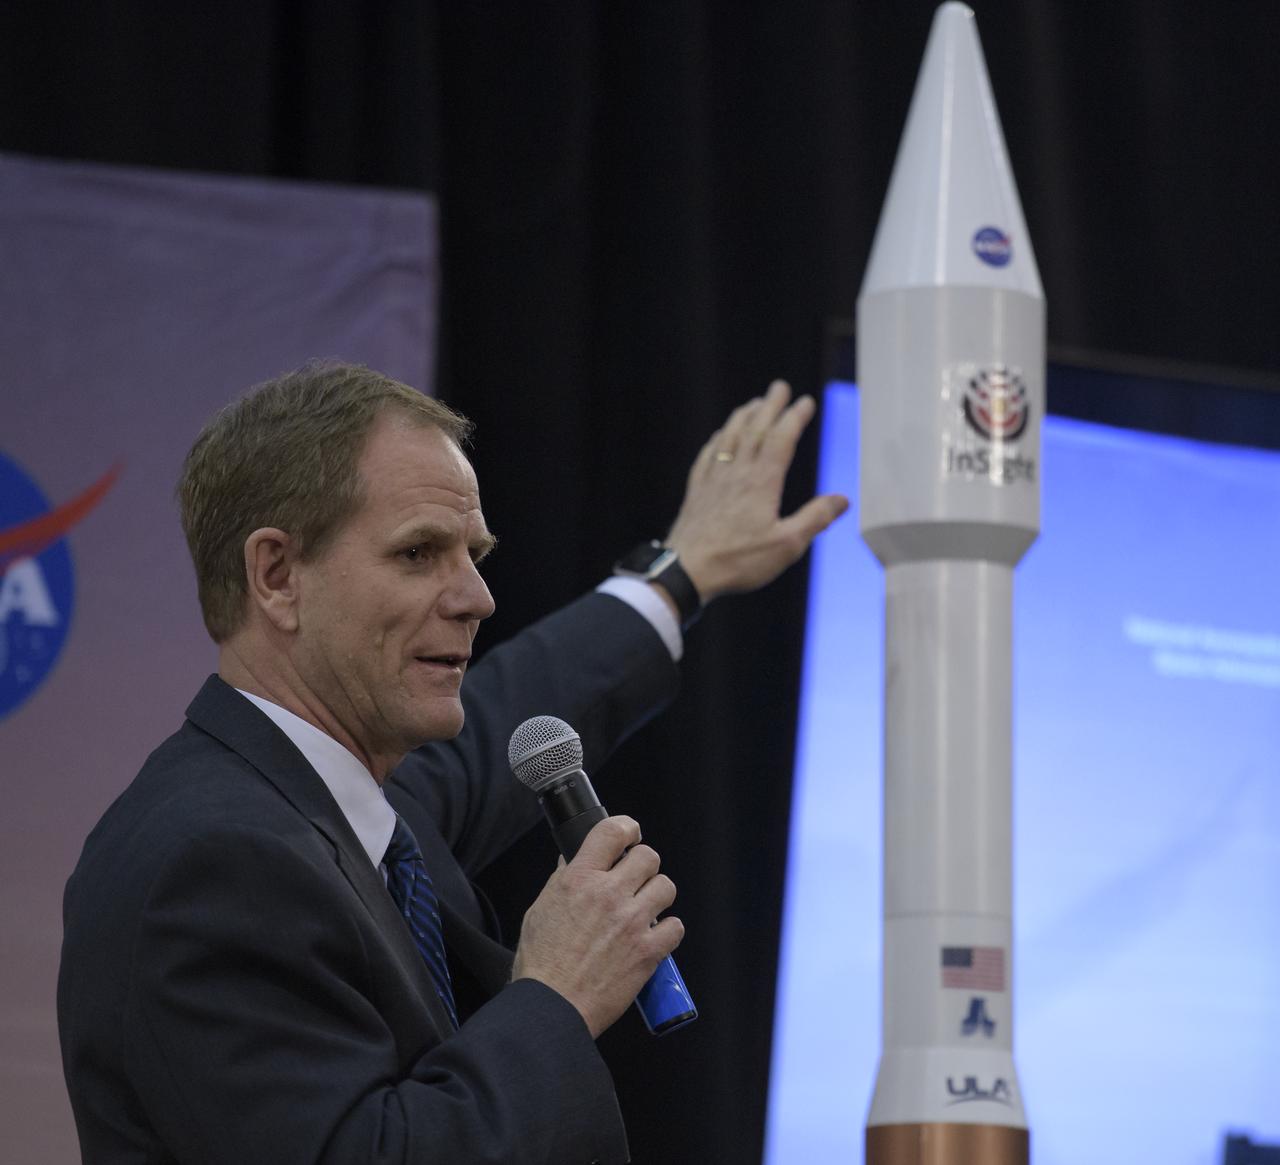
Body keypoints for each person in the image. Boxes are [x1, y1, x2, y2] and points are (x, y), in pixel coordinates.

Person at [57, 361, 848, 1164]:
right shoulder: (213, 863)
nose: (478, 596)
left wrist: (679, 576)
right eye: (419, 553)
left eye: (474, 552)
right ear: (277, 576)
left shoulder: (348, 806)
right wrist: (557, 992)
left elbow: (512, 702)